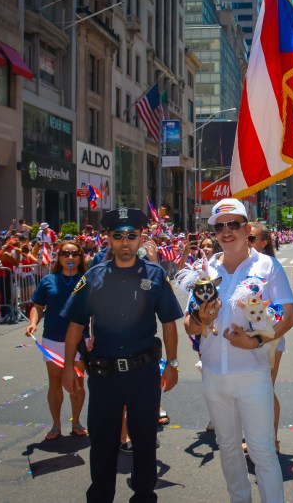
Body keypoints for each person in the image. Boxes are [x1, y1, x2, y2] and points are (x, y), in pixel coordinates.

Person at [61, 208, 183, 503]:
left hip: (144, 373)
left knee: (144, 443)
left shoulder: (154, 276)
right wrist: (68, 367)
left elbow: (168, 323)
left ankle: (143, 496)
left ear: (141, 237)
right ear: (108, 238)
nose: (125, 242)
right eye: (118, 236)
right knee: (102, 444)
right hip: (105, 376)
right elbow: (76, 325)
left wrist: (173, 364)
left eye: (131, 236)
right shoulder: (93, 277)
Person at [183, 198, 293, 503]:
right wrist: (201, 319)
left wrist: (255, 341)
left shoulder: (266, 265)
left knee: (262, 452)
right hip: (213, 376)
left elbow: (288, 317)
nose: (226, 231)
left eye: (233, 224)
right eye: (220, 226)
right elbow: (188, 326)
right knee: (229, 448)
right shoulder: (204, 269)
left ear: (247, 229)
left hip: (253, 375)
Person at [25, 241, 90, 441]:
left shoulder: (87, 280)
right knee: (55, 383)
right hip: (53, 339)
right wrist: (33, 323)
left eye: (74, 254)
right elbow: (37, 305)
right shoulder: (48, 281)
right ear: (58, 257)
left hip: (81, 339)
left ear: (80, 257)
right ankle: (56, 425)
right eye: (65, 254)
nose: (70, 258)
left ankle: (77, 422)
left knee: (77, 383)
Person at [247, 221, 289, 452]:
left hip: (270, 336)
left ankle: (271, 439)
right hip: (241, 339)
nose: (248, 242)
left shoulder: (270, 265)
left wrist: (265, 325)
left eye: (252, 238)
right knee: (245, 391)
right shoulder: (237, 264)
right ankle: (252, 438)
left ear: (264, 242)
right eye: (246, 237)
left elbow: (284, 309)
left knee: (264, 388)